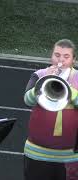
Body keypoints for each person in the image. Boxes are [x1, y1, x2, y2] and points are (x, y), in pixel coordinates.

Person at [23, 39, 78, 180]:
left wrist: (69, 90)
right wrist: (43, 83)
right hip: (37, 154)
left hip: (70, 157)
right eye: (57, 55)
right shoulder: (39, 75)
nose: (61, 60)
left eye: (66, 56)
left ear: (73, 60)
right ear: (51, 56)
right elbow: (27, 101)